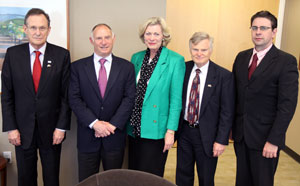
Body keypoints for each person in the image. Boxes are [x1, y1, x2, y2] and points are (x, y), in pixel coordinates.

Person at [1, 8, 71, 186]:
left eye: (42, 27)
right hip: (22, 130)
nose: (38, 32)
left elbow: (66, 96)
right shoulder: (13, 55)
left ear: (49, 29)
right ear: (25, 29)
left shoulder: (62, 55)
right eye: (33, 28)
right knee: (25, 179)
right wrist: (11, 128)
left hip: (52, 130)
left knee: (52, 178)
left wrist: (61, 127)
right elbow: (7, 95)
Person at [232, 10, 299, 186]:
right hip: (241, 136)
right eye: (254, 27)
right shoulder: (241, 57)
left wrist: (274, 140)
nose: (258, 32)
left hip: (265, 140)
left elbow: (287, 105)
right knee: (242, 182)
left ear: (274, 32)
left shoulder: (286, 61)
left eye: (264, 28)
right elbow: (236, 96)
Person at [68, 23, 136, 182]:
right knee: (86, 182)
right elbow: (74, 98)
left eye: (107, 37)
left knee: (113, 182)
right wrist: (95, 123)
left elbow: (129, 98)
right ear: (91, 40)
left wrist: (111, 125)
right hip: (87, 136)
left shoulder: (127, 67)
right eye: (99, 38)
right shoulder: (77, 67)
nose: (103, 42)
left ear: (113, 39)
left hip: (114, 136)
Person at [127, 17, 185, 177]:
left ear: (164, 36)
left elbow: (176, 100)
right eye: (148, 33)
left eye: (156, 34)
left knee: (151, 176)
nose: (152, 38)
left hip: (157, 130)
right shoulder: (136, 58)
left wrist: (171, 131)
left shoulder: (175, 60)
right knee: (134, 174)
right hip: (134, 128)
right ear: (143, 36)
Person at [175, 32, 235, 186]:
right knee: (183, 175)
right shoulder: (183, 69)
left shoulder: (223, 76)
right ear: (190, 50)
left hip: (208, 135)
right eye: (195, 49)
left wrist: (221, 140)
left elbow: (227, 112)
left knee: (206, 178)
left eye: (204, 50)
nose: (199, 53)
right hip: (184, 132)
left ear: (211, 50)